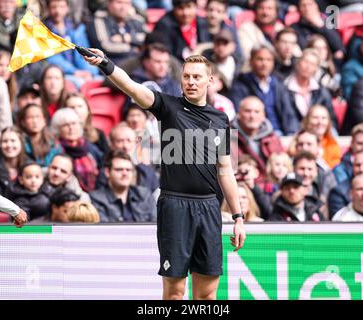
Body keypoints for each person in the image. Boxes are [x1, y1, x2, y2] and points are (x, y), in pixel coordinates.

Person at [84, 48, 245, 300]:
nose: (191, 82)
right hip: (175, 206)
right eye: (186, 76)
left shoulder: (221, 119)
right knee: (174, 293)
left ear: (210, 81)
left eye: (197, 77)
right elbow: (133, 88)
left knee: (207, 295)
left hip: (210, 209)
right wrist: (106, 64)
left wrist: (238, 217)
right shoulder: (168, 106)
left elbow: (225, 171)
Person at [230, 46, 299, 135]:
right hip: (252, 134)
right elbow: (237, 114)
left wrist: (291, 134)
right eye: (260, 59)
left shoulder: (278, 84)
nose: (264, 64)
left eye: (269, 60)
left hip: (279, 133)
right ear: (251, 61)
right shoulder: (241, 83)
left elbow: (289, 114)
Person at [43, 0, 101, 89]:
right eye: (54, 7)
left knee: (99, 80)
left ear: (67, 8)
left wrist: (89, 72)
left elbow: (85, 52)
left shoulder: (76, 27)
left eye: (61, 7)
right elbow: (53, 58)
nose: (57, 11)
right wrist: (75, 72)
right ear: (48, 9)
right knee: (80, 84)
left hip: (82, 71)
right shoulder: (43, 30)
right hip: (62, 73)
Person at [90, 150, 156, 222]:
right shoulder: (96, 199)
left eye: (128, 170)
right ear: (107, 172)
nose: (125, 173)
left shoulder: (144, 195)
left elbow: (155, 225)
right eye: (119, 169)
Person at [50, 107, 104, 192]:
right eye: (66, 125)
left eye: (74, 123)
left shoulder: (90, 148)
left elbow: (102, 170)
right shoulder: (55, 150)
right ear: (58, 129)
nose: (71, 128)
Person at [230, 95, 284, 178]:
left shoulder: (273, 138)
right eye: (247, 111)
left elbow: (283, 166)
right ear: (239, 113)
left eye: (257, 112)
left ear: (263, 115)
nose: (252, 116)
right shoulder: (228, 136)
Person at [237, 0, 285, 68]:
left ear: (276, 12)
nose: (265, 12)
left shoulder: (280, 28)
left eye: (269, 8)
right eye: (261, 8)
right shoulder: (246, 29)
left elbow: (295, 53)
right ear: (255, 11)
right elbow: (248, 56)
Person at [0, 126, 26, 202]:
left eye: (13, 140)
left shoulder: (30, 166)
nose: (9, 145)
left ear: (21, 142)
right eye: (5, 141)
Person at [17, 103, 62, 168]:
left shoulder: (54, 144)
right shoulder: (19, 143)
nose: (35, 121)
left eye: (38, 117)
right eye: (30, 117)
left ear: (44, 121)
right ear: (23, 122)